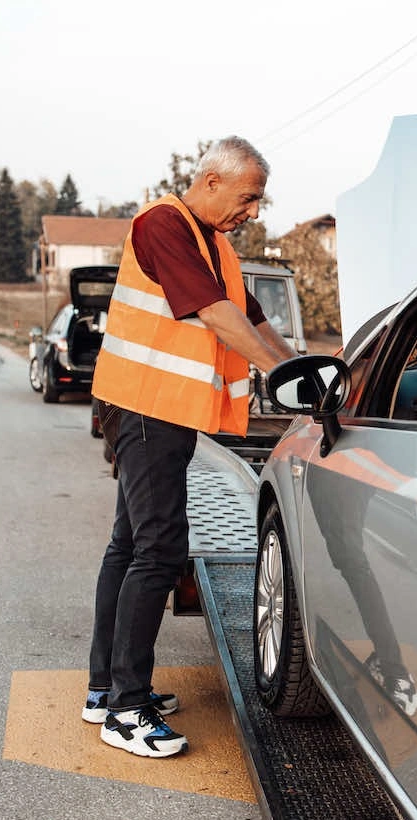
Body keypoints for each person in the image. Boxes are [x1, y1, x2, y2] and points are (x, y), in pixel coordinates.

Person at [83, 137, 298, 758]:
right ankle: (126, 709)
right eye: (248, 198)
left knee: (130, 545)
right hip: (144, 407)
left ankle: (106, 689)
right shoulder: (163, 225)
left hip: (159, 410)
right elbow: (218, 316)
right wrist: (284, 377)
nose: (252, 211)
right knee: (158, 549)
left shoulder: (215, 244)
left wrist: (302, 369)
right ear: (211, 181)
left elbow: (252, 319)